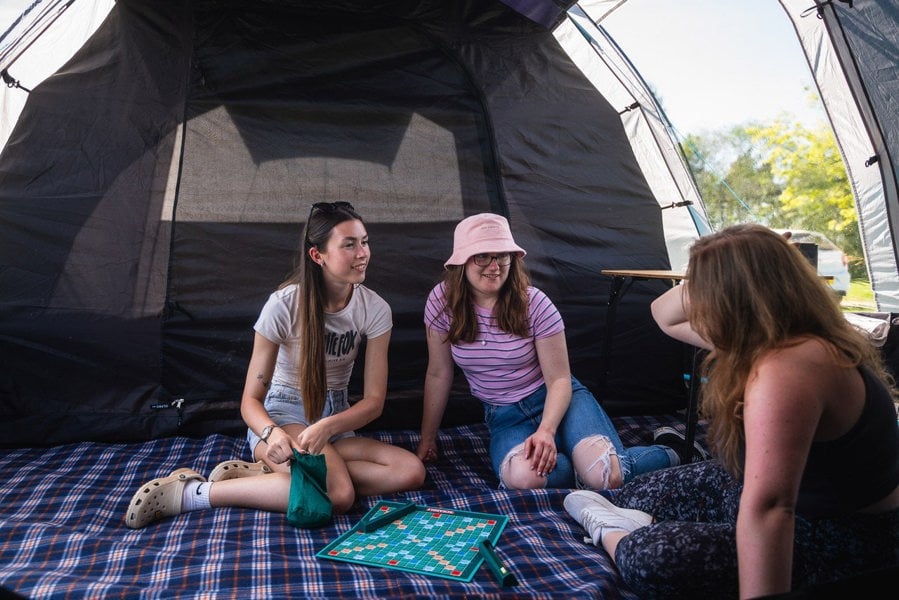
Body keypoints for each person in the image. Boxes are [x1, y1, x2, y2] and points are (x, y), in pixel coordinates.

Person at [564, 224, 899, 598]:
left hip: (839, 534)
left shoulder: (791, 366)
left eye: (707, 289)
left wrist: (735, 263)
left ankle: (616, 533)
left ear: (732, 298)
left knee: (651, 558)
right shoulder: (762, 335)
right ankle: (649, 520)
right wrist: (731, 255)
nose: (699, 303)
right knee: (634, 493)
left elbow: (771, 509)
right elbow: (663, 313)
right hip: (764, 486)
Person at [126, 202, 425, 529]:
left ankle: (270, 474)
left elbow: (373, 403)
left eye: (364, 242)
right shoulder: (283, 305)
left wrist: (327, 426)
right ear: (318, 256)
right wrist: (271, 433)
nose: (362, 252)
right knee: (339, 495)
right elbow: (250, 401)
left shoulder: (375, 308)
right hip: (284, 414)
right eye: (349, 244)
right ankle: (192, 492)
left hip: (334, 420)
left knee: (410, 472)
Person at [415, 213, 684, 491]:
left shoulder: (534, 302)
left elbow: (559, 380)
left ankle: (675, 449)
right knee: (523, 478)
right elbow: (438, 373)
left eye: (502, 256)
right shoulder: (441, 302)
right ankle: (579, 461)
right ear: (461, 261)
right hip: (506, 416)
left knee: (605, 476)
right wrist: (427, 438)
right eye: (482, 256)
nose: (494, 266)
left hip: (558, 401)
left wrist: (546, 430)